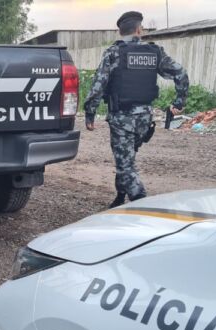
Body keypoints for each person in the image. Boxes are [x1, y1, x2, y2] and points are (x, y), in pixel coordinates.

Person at [84, 11, 189, 208]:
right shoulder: (155, 52)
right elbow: (181, 73)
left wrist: (90, 112)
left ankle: (141, 204)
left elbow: (98, 84)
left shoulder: (114, 53)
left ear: (120, 31)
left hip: (121, 119)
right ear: (139, 30)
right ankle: (120, 198)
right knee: (126, 158)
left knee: (125, 164)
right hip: (144, 120)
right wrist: (179, 102)